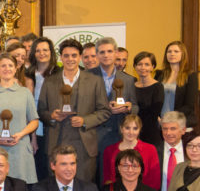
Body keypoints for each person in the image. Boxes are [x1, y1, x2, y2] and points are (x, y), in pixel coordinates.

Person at [37, 38, 110, 183]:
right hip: (56, 142)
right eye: (66, 55)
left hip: (84, 145)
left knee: (84, 188)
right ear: (60, 57)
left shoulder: (94, 81)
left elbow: (104, 111)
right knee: (57, 188)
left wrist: (85, 121)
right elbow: (41, 110)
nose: (70, 59)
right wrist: (52, 116)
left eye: (74, 55)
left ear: (80, 57)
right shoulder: (49, 81)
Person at [0, 54, 39, 184]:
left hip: (20, 148)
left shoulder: (25, 93)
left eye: (10, 65)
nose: (7, 69)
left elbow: (34, 121)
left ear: (16, 69)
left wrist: (21, 134)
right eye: (3, 66)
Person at [89, 37, 138, 172]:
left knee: (115, 178)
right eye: (102, 52)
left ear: (116, 53)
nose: (106, 55)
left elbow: (136, 106)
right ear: (97, 54)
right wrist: (106, 109)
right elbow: (83, 107)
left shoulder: (128, 80)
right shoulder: (86, 76)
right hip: (94, 136)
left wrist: (128, 108)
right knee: (96, 178)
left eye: (110, 51)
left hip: (119, 136)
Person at [26, 36, 60, 181]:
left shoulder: (59, 73)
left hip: (54, 124)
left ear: (51, 52)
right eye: (38, 50)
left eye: (45, 50)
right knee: (37, 165)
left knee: (51, 165)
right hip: (33, 124)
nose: (42, 53)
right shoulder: (28, 74)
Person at [101, 114, 161, 190]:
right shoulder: (109, 150)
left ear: (140, 130)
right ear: (121, 129)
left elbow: (155, 180)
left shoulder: (150, 149)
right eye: (127, 128)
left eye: (135, 128)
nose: (131, 132)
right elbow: (107, 178)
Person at [156, 40, 198, 128]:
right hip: (160, 122)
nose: (172, 54)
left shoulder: (190, 75)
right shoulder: (160, 74)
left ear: (183, 54)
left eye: (176, 51)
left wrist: (170, 118)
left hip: (180, 122)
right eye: (169, 51)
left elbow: (189, 105)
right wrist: (158, 117)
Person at [132, 51, 164, 146]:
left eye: (147, 64)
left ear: (152, 67)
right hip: (132, 133)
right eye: (139, 64)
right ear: (135, 66)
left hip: (151, 133)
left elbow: (154, 113)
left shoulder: (158, 86)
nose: (143, 68)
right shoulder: (131, 86)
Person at [158, 111, 187, 191]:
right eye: (165, 129)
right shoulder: (154, 151)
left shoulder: (191, 152)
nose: (168, 133)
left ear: (183, 130)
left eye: (173, 128)